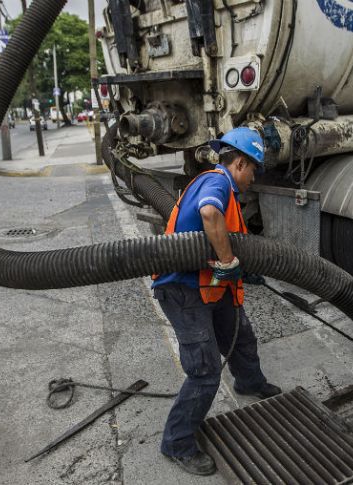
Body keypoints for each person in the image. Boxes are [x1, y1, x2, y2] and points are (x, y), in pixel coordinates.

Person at [151, 126, 281, 475]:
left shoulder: (222, 184)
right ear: (239, 163)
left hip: (207, 283)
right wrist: (228, 262)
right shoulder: (218, 182)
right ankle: (176, 443)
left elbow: (221, 228)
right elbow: (209, 213)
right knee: (205, 371)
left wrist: (239, 265)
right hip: (181, 287)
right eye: (253, 168)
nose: (254, 176)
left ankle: (250, 382)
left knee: (240, 334)